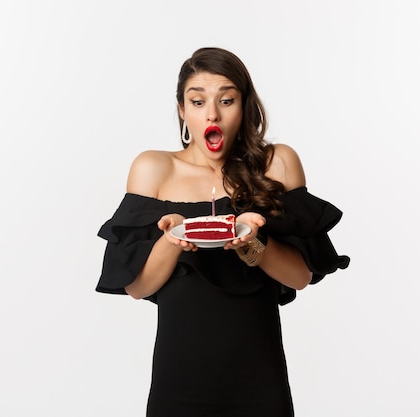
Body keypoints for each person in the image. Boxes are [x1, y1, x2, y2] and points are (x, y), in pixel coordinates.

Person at [96, 47, 350, 417]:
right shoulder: (153, 168)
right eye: (197, 102)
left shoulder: (277, 164)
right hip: (179, 378)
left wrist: (252, 244)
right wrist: (172, 239)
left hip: (258, 379)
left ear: (244, 106)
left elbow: (299, 277)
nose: (211, 113)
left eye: (226, 100)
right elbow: (138, 288)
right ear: (182, 110)